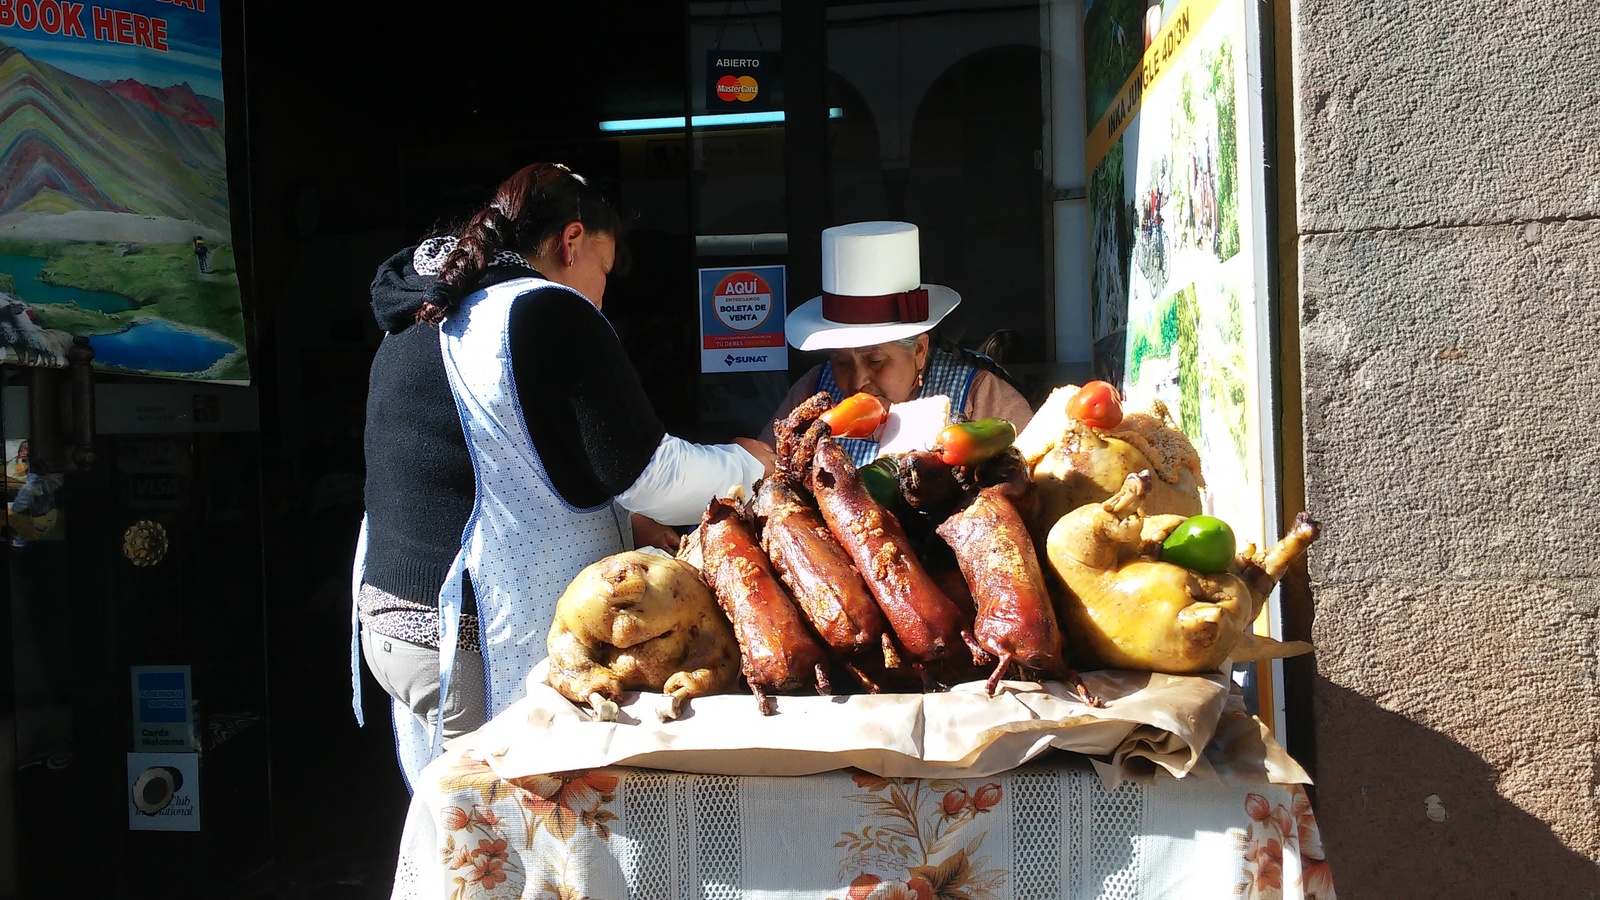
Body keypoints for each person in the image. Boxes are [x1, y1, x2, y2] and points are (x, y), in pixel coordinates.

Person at [354, 162, 776, 788]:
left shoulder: (433, 309)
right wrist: (750, 465)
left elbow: (485, 458)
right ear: (571, 241)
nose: (602, 295)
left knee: (456, 838)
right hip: (473, 639)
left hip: (397, 626)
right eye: (603, 270)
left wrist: (621, 521)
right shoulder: (544, 309)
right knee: (516, 848)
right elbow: (650, 473)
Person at [760, 221, 1034, 465]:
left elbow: (1031, 483)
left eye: (875, 360)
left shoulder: (980, 394)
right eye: (841, 361)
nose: (857, 381)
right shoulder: (813, 390)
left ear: (919, 351)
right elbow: (767, 472)